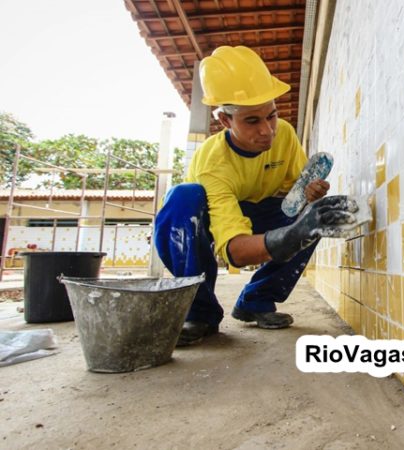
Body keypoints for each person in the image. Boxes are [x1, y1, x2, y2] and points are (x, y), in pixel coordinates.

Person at [153, 46, 357, 346]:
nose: (267, 131)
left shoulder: (284, 134)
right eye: (252, 121)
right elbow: (234, 251)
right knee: (183, 197)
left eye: (271, 116)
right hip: (204, 219)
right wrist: (296, 231)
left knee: (307, 219)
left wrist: (308, 197)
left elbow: (293, 195)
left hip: (259, 208)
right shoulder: (213, 164)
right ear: (225, 121)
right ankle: (199, 310)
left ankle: (256, 300)